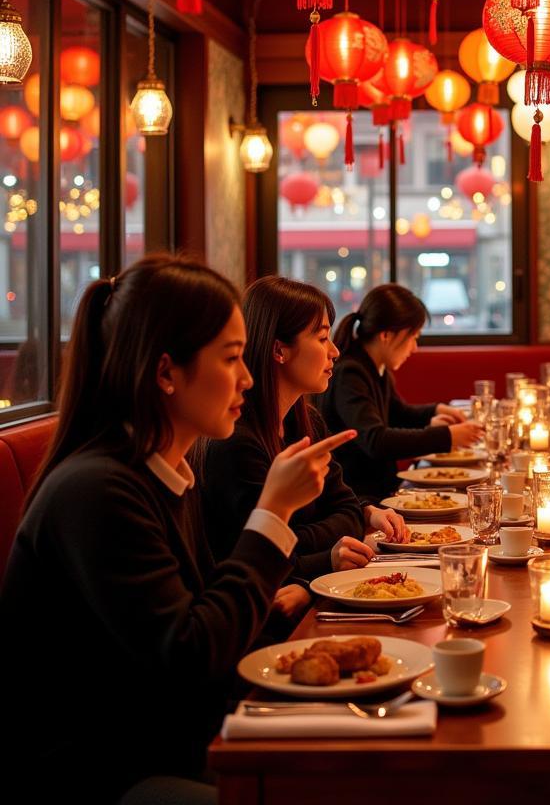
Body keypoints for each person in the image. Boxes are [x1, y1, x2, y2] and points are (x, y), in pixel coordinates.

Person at [0, 255, 355, 803]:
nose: (248, 378)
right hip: (105, 773)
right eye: (232, 358)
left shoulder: (166, 473)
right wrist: (273, 514)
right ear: (166, 373)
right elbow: (191, 654)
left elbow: (207, 606)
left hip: (175, 737)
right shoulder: (97, 491)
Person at [200, 277, 407, 628]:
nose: (335, 351)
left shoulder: (305, 420)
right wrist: (322, 554)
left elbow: (345, 508)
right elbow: (260, 553)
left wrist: (327, 531)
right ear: (279, 350)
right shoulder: (236, 442)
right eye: (322, 338)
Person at [319, 283, 481, 502]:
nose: (414, 348)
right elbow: (375, 441)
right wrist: (448, 437)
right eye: (413, 336)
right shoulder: (350, 373)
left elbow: (397, 412)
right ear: (386, 335)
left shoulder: (374, 366)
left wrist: (435, 412)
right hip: (361, 498)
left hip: (383, 490)